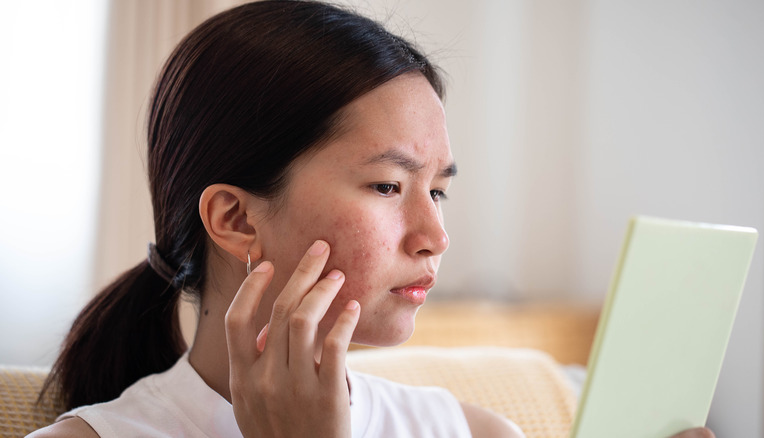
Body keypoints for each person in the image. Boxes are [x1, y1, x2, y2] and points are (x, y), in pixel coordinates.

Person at [30, 1, 717, 437]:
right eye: (389, 186)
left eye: (439, 191)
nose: (435, 237)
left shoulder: (474, 433)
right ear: (236, 218)